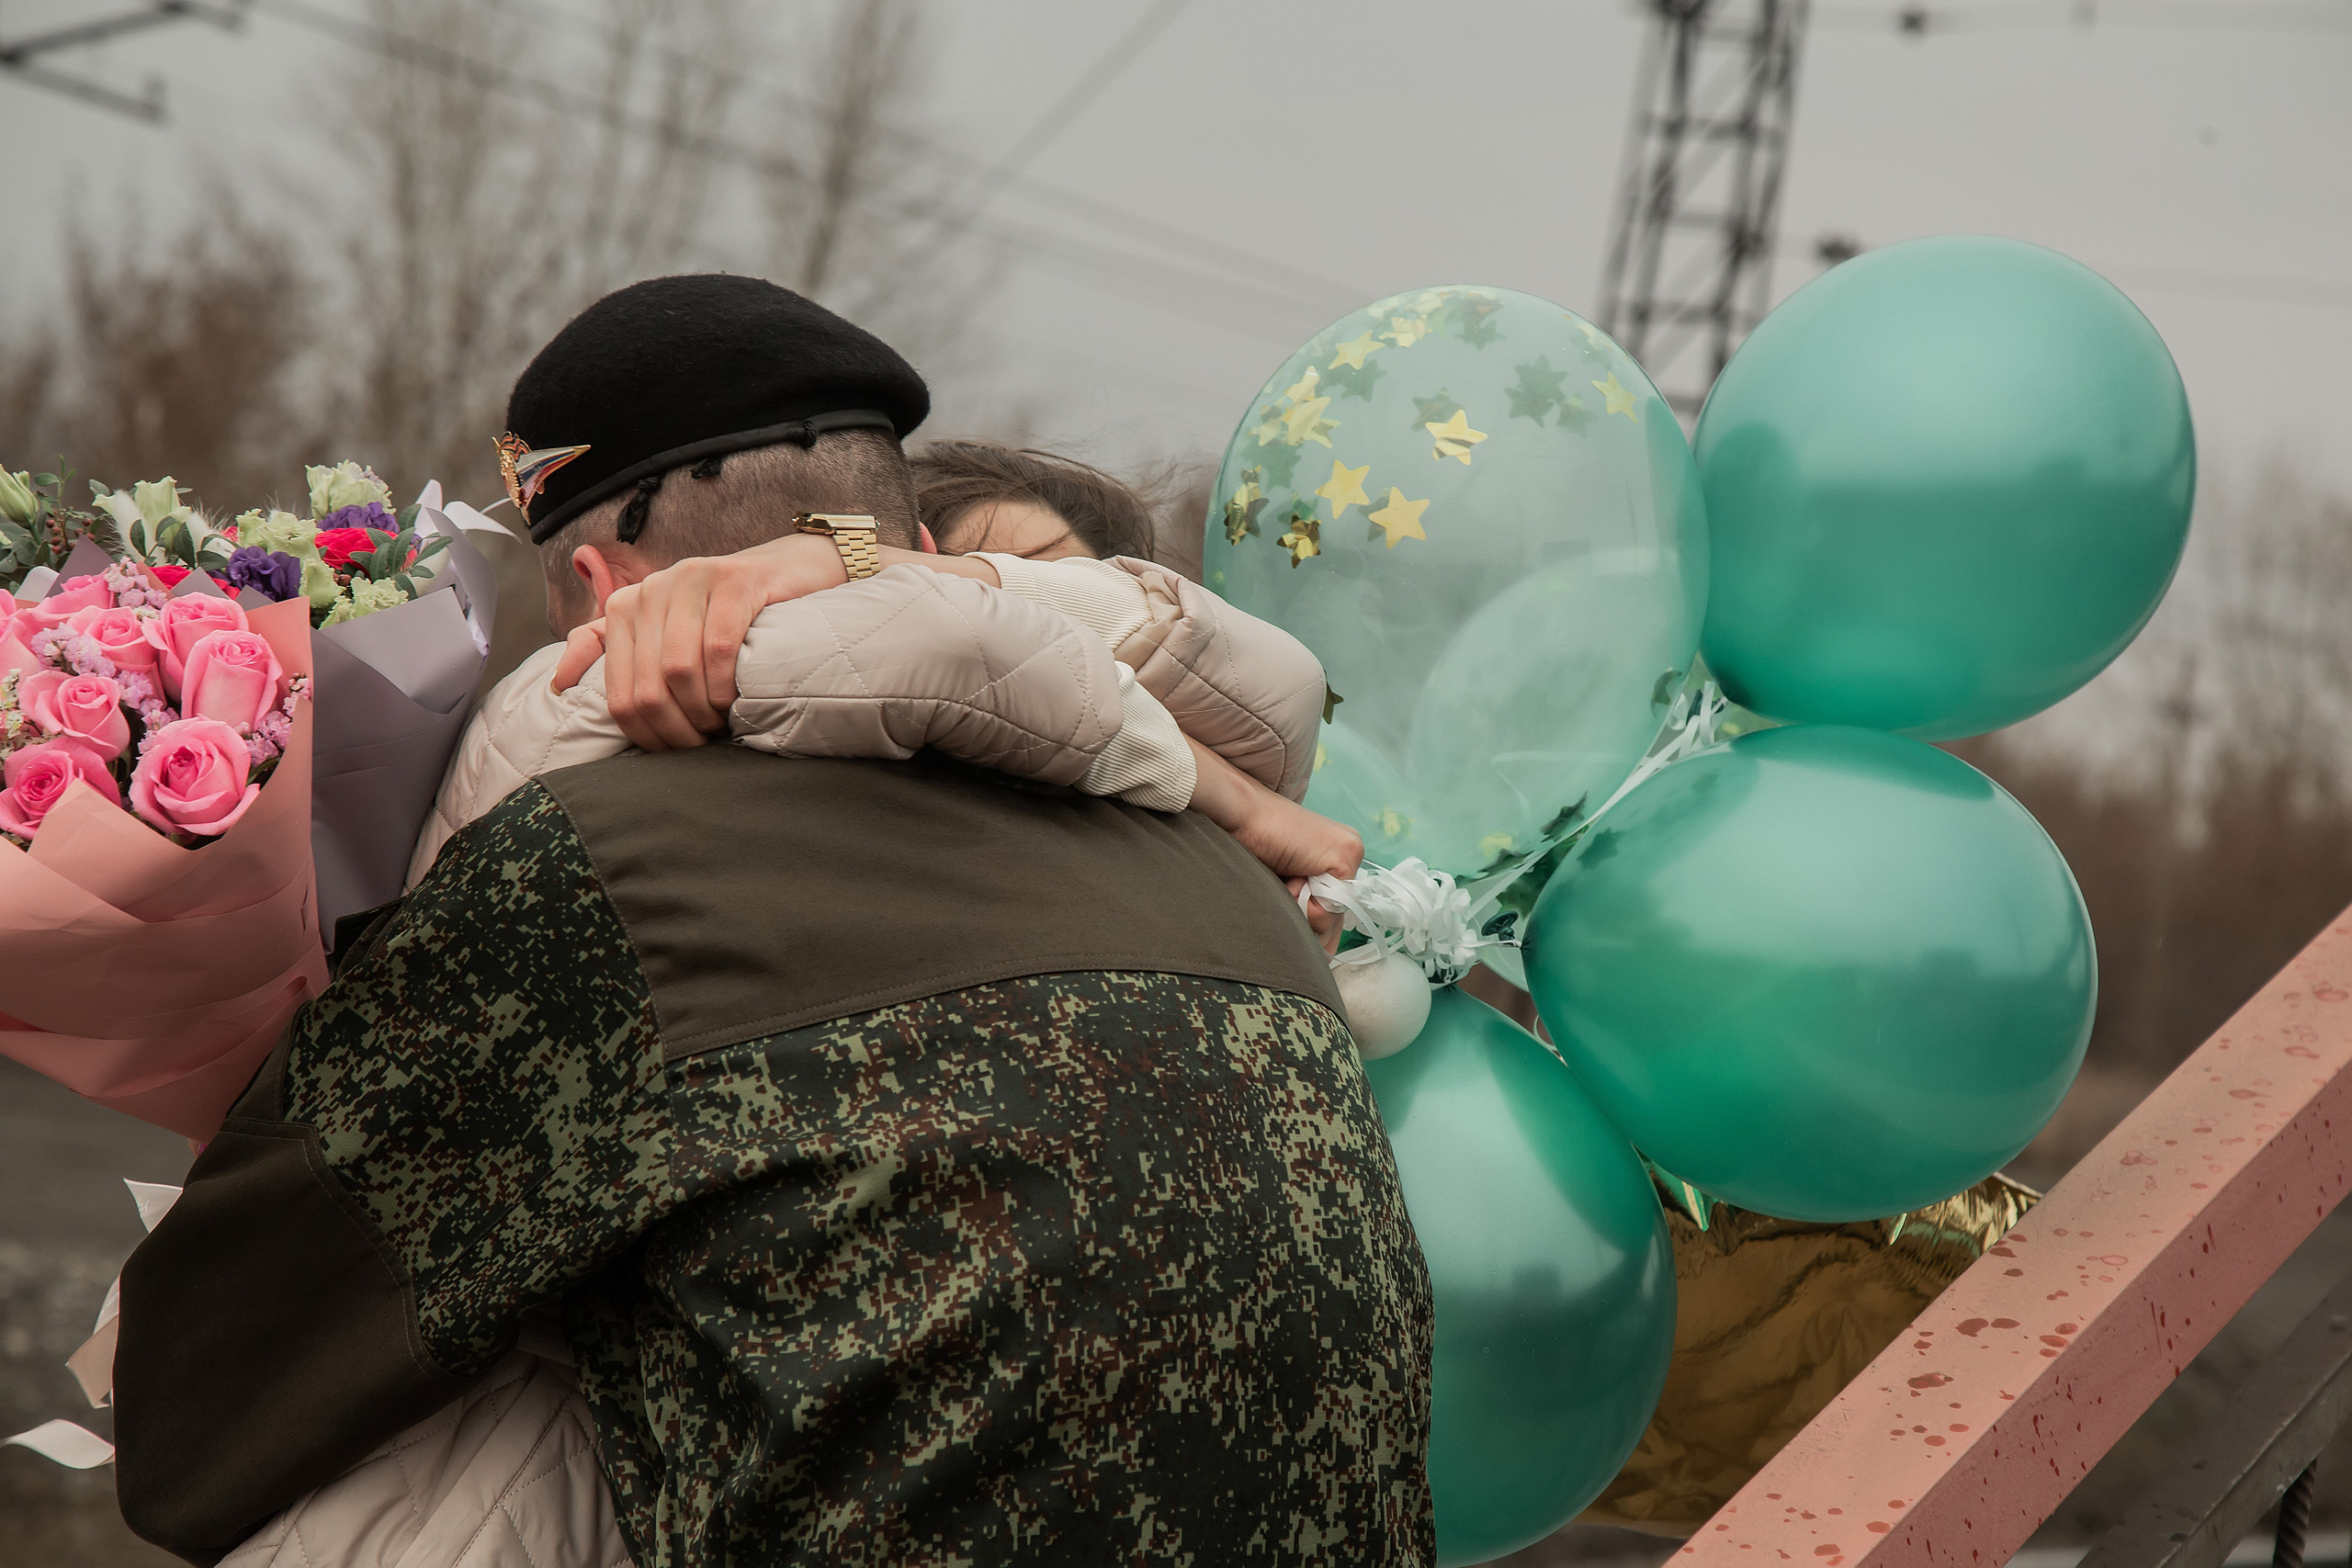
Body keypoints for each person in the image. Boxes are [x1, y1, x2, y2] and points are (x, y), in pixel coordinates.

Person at [112, 275, 1434, 1567]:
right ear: (916, 557)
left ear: (594, 589)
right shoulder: (1231, 871)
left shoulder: (593, 869)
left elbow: (206, 1399)